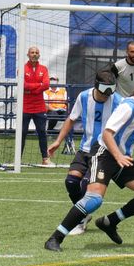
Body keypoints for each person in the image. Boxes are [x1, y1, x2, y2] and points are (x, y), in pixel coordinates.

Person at [44, 72, 134, 252]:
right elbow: (107, 133)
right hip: (105, 153)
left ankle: (109, 222)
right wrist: (118, 156)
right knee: (93, 200)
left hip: (123, 158)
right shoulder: (128, 106)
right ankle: (55, 238)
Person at [46, 71, 122, 235]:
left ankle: (79, 221)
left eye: (111, 91)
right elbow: (71, 119)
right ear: (96, 85)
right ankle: (84, 214)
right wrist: (58, 141)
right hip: (84, 149)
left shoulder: (118, 101)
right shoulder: (84, 97)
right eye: (104, 91)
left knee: (84, 186)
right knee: (71, 182)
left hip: (103, 153)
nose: (107, 95)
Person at [21, 46, 51, 165]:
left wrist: (31, 88)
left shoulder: (43, 69)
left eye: (36, 52)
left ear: (39, 55)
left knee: (42, 132)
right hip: (25, 106)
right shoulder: (22, 68)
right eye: (32, 52)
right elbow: (23, 85)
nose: (34, 54)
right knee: (22, 132)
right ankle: (18, 158)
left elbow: (46, 85)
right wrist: (38, 86)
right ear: (28, 54)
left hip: (39, 106)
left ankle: (45, 158)